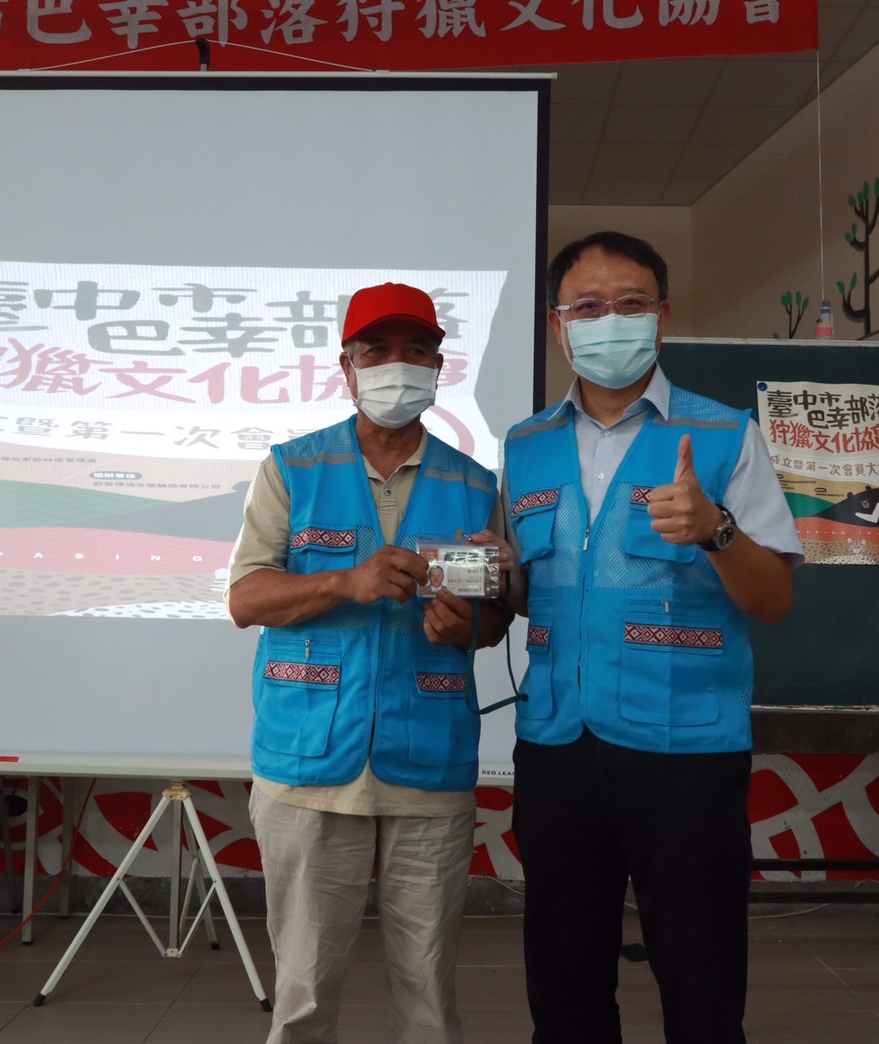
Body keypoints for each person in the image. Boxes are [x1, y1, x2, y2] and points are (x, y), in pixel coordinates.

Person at [502, 232, 803, 1044]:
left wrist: (717, 531)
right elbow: (537, 593)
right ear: (558, 325)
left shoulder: (724, 434)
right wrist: (493, 578)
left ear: (662, 317)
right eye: (588, 307)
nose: (610, 321)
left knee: (702, 989)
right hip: (557, 749)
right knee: (563, 989)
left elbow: (774, 598)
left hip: (686, 754)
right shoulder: (524, 446)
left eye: (630, 304)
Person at [225, 282, 512, 1044]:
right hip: (308, 767)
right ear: (346, 366)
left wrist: (470, 623)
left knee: (429, 1001)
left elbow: (494, 619)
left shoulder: (475, 484)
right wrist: (344, 582)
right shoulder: (292, 468)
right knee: (304, 998)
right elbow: (245, 598)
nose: (396, 366)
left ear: (439, 368)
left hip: (428, 764)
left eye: (415, 351)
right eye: (376, 351)